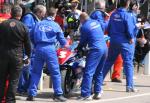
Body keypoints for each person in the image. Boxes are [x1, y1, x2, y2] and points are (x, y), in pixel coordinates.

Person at [26, 7, 68, 102]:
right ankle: (58, 94)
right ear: (54, 15)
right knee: (55, 72)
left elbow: (31, 36)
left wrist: (36, 44)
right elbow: (62, 40)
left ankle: (31, 94)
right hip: (50, 49)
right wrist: (67, 46)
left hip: (38, 49)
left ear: (46, 14)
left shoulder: (38, 24)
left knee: (36, 72)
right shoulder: (55, 25)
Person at [101, 0, 138, 92]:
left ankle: (97, 82)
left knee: (108, 62)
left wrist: (112, 35)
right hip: (125, 42)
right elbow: (129, 28)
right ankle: (130, 86)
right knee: (128, 63)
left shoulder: (113, 14)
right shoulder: (127, 15)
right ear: (127, 4)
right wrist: (131, 37)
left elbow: (108, 27)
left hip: (114, 40)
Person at [0, 5, 31, 103]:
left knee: (1, 79)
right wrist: (28, 56)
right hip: (17, 56)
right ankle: (10, 100)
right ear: (20, 14)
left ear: (11, 13)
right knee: (14, 80)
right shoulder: (23, 26)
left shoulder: (2, 24)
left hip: (3, 55)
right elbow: (28, 44)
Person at [77, 12, 108, 100]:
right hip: (104, 48)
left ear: (82, 19)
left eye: (80, 21)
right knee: (99, 71)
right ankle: (97, 92)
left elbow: (83, 41)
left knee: (88, 72)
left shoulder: (85, 27)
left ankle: (86, 94)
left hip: (95, 49)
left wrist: (78, 48)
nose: (81, 22)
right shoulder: (96, 22)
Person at [17, 4, 46, 94]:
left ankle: (26, 88)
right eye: (43, 13)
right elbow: (25, 31)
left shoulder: (36, 19)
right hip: (27, 46)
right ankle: (21, 88)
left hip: (33, 47)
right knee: (26, 68)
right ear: (39, 12)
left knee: (31, 68)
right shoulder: (29, 17)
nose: (44, 16)